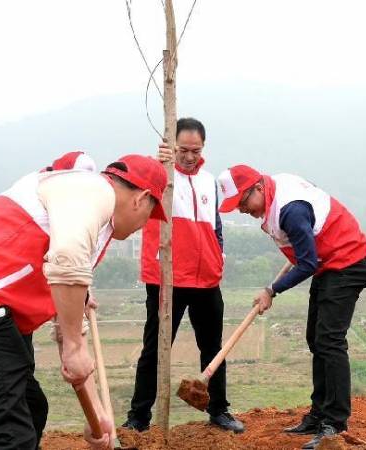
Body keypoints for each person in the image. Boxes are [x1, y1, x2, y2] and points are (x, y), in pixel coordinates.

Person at [0, 152, 167, 449]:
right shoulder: (91, 190)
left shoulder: (84, 218)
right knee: (9, 436)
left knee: (30, 409)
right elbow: (68, 262)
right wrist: (74, 347)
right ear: (141, 198)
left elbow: (69, 320)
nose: (145, 225)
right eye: (151, 214)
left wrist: (96, 414)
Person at [216, 165, 366, 449]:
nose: (242, 210)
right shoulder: (277, 192)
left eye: (242, 202)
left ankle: (335, 423)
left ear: (258, 188)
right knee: (316, 339)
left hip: (349, 262)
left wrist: (271, 290)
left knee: (330, 341)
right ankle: (318, 414)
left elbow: (307, 263)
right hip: (329, 264)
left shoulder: (291, 210)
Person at [124, 118, 244, 433]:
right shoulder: (159, 174)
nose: (190, 156)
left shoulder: (208, 181)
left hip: (206, 278)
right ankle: (138, 417)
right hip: (167, 278)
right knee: (155, 349)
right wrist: (159, 163)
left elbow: (216, 227)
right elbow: (136, 180)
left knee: (213, 348)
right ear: (171, 146)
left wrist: (218, 258)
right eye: (183, 150)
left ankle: (219, 410)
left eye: (196, 150)